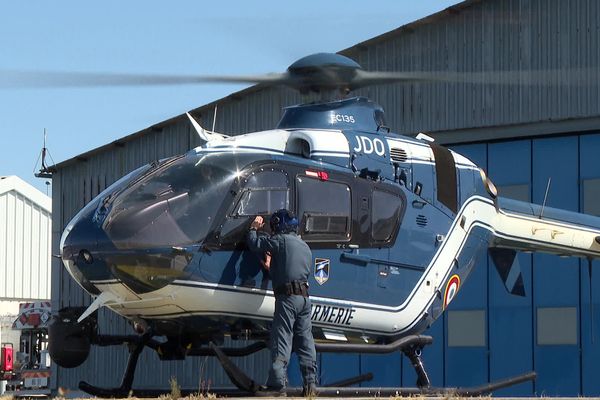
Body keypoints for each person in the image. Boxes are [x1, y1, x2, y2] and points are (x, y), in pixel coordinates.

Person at [246, 209, 317, 397]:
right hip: (304, 299)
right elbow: (292, 271)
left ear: (281, 225)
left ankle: (277, 385)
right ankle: (310, 385)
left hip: (287, 299)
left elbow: (254, 244)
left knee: (282, 337)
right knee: (305, 341)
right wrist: (273, 267)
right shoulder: (304, 246)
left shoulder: (281, 240)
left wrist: (253, 228)